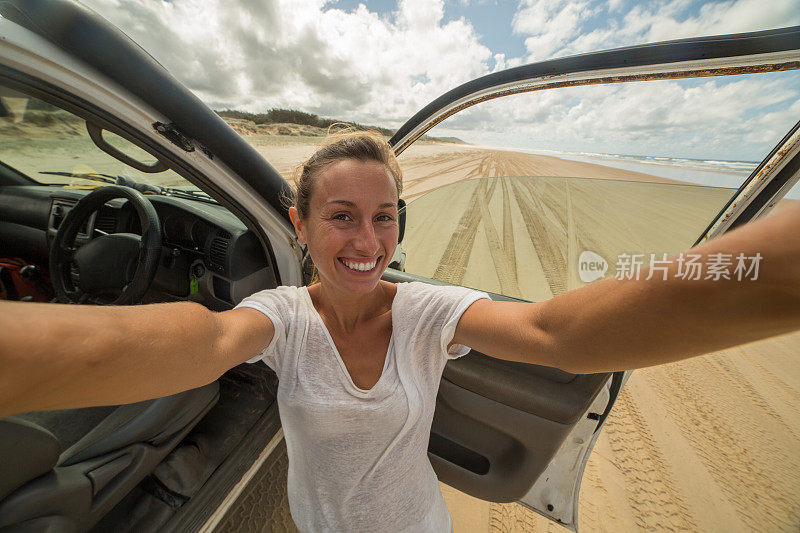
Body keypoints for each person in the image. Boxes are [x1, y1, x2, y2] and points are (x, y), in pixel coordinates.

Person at [1, 131, 799, 532]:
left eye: (384, 218)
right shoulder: (281, 318)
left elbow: (559, 332)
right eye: (341, 216)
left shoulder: (426, 312)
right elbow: (200, 342)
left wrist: (766, 272)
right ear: (299, 222)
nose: (367, 242)